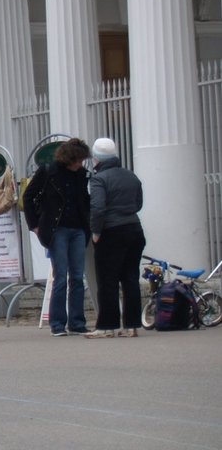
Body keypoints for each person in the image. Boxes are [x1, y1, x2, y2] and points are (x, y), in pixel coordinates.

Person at [23, 138, 92, 336]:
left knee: (78, 277)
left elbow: (85, 200)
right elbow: (28, 197)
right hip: (57, 229)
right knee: (61, 276)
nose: (80, 164)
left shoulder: (81, 174)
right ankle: (58, 324)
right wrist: (34, 225)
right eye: (78, 160)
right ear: (68, 158)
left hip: (78, 228)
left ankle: (77, 322)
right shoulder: (48, 172)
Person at [85, 137, 145, 338]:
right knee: (130, 278)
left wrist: (96, 232)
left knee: (107, 280)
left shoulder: (99, 179)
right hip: (134, 229)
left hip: (111, 231)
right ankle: (132, 325)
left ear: (96, 158)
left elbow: (97, 208)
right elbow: (138, 204)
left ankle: (107, 326)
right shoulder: (131, 175)